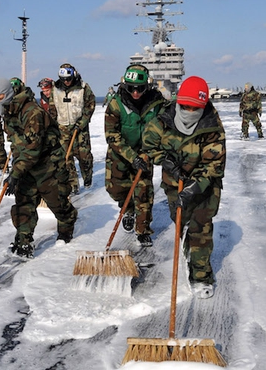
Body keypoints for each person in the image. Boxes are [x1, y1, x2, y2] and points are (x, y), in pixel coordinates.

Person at [142, 76, 226, 298]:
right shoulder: (163, 120)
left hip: (204, 187)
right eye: (185, 106)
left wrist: (193, 188)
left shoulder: (212, 127)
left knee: (201, 227)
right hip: (173, 183)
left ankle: (201, 275)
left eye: (194, 108)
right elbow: (149, 145)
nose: (188, 111)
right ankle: (188, 242)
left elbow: (213, 166)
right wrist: (166, 160)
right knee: (180, 219)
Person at [0, 78, 78, 258]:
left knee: (59, 204)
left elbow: (33, 148)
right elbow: (17, 144)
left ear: (9, 94)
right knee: (23, 204)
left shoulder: (32, 112)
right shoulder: (8, 113)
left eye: (0, 98)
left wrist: (15, 173)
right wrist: (16, 168)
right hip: (26, 167)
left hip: (48, 165)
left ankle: (65, 231)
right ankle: (23, 242)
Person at [104, 65, 166, 247]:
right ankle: (128, 209)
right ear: (125, 86)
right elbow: (112, 135)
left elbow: (164, 127)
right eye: (131, 88)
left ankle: (143, 230)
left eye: (140, 89)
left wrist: (152, 151)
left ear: (147, 86)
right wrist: (132, 157)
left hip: (145, 154)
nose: (136, 93)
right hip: (120, 153)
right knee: (115, 189)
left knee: (143, 192)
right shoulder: (116, 104)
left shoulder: (157, 103)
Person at [51, 63, 96, 192]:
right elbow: (53, 108)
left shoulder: (83, 87)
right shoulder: (56, 89)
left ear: (74, 75)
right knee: (66, 158)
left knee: (84, 156)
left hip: (80, 127)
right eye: (63, 79)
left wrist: (82, 122)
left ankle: (87, 177)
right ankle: (72, 185)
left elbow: (90, 105)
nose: (66, 82)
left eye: (68, 79)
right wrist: (53, 125)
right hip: (63, 127)